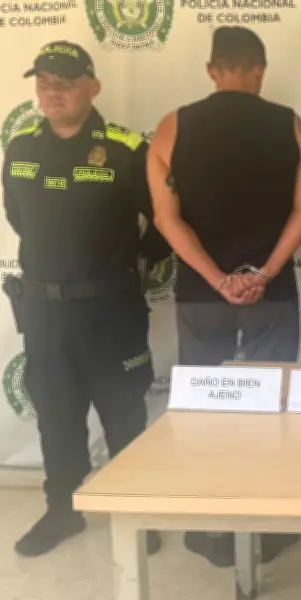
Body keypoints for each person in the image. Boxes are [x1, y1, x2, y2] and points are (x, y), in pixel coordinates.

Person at [147, 26, 301, 568]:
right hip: (272, 293)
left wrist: (219, 280)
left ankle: (210, 527)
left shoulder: (172, 126)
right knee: (272, 411)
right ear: (260, 68)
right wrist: (263, 273)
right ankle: (265, 525)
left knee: (204, 412)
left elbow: (166, 219)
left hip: (202, 295)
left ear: (211, 70)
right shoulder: (291, 125)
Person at [1, 41, 170, 557]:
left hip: (108, 310)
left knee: (123, 414)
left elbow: (164, 223)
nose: (53, 92)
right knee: (56, 414)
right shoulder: (20, 147)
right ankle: (62, 511)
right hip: (44, 312)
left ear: (93, 87)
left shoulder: (124, 148)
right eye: (44, 83)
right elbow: (18, 218)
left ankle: (134, 511)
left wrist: (124, 261)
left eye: (66, 83)